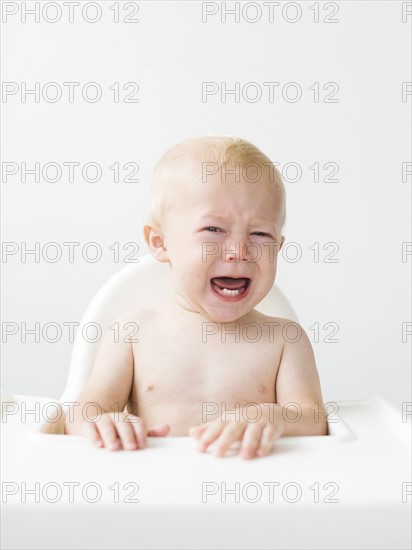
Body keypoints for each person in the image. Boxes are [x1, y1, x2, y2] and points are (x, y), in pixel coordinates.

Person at [64, 135, 328, 459]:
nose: (238, 251)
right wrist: (106, 423)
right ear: (160, 242)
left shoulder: (285, 340)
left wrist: (273, 417)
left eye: (260, 233)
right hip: (154, 493)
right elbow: (79, 413)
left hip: (252, 495)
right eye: (214, 230)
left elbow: (314, 420)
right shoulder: (132, 333)